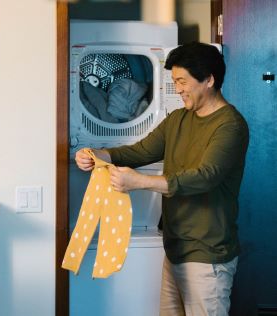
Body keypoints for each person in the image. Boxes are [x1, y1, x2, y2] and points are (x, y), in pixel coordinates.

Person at [75, 42, 249, 316]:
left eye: (182, 81)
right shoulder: (178, 118)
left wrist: (139, 182)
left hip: (207, 255)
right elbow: (141, 151)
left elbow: (205, 177)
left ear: (209, 80)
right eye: (174, 81)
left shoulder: (230, 126)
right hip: (175, 248)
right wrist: (99, 154)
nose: (177, 89)